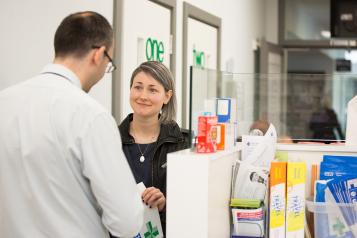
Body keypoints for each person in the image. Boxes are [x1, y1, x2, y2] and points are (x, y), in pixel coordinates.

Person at [0, 11, 143, 238]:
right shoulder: (90, 116)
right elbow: (126, 221)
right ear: (98, 55)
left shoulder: (4, 102)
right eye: (109, 63)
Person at [118, 61, 190, 234]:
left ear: (167, 96)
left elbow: (194, 203)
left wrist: (165, 204)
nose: (143, 96)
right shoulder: (110, 140)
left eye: (152, 90)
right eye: (138, 87)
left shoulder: (185, 143)